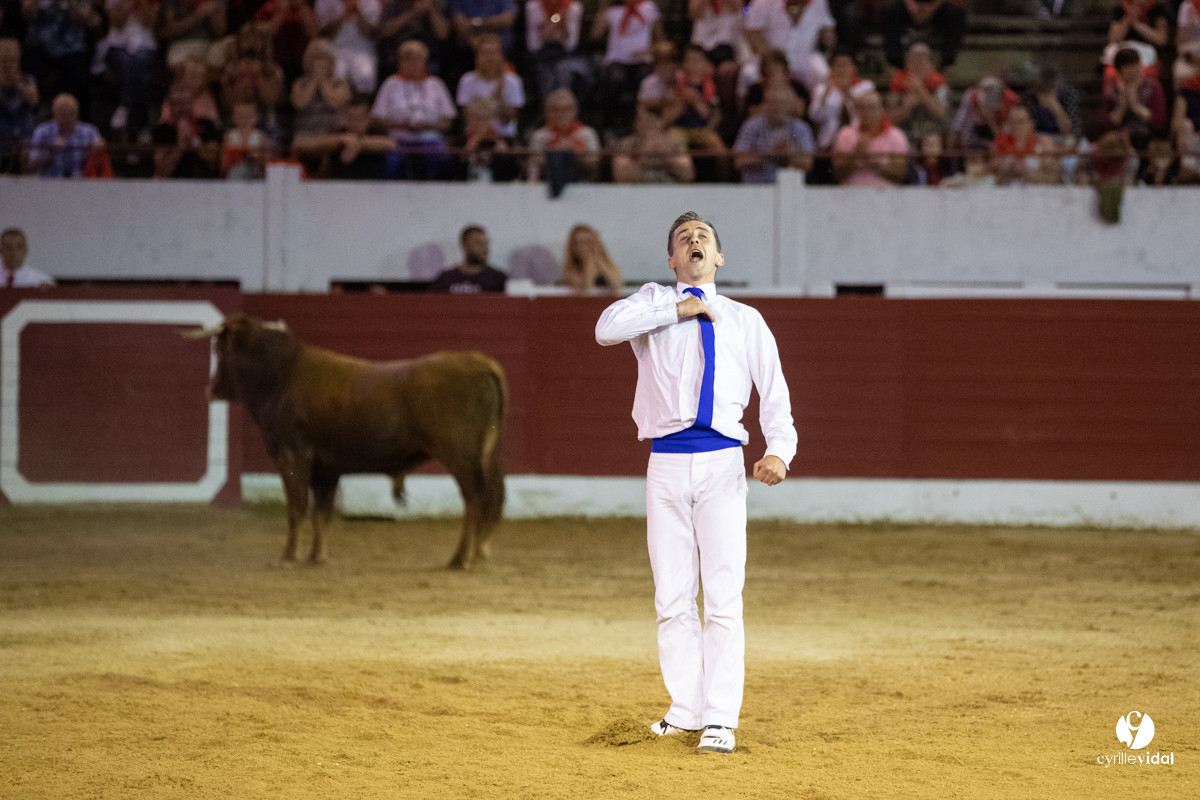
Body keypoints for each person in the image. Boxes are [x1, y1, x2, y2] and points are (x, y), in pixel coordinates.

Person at [594, 210, 796, 757]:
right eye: (683, 238)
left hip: (722, 463)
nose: (694, 240)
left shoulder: (745, 319)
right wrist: (672, 306)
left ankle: (721, 717)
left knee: (724, 596)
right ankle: (686, 709)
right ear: (671, 259)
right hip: (664, 463)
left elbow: (774, 394)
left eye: (704, 236)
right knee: (672, 597)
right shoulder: (650, 308)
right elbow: (604, 329)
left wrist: (779, 450)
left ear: (718, 257)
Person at [371, 38, 455, 179]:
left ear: (425, 62)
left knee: (442, 158)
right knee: (391, 162)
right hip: (398, 138)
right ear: (400, 62)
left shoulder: (436, 84)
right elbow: (377, 119)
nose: (413, 64)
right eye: (408, 60)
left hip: (429, 137)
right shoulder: (391, 84)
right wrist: (399, 124)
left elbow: (448, 120)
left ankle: (436, 194)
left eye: (417, 60)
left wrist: (431, 125)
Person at [591, 0, 663, 136]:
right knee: (614, 79)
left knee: (645, 80)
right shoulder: (613, 10)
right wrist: (602, 7)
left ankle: (641, 125)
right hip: (616, 59)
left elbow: (660, 38)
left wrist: (649, 50)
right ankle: (610, 126)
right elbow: (596, 34)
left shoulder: (649, 6)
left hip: (642, 59)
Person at [743, 0, 836, 94]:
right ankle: (745, 107)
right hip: (773, 57)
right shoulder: (762, 2)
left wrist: (828, 38)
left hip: (806, 57)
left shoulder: (819, 2)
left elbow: (827, 28)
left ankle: (813, 107)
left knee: (823, 73)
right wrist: (772, 61)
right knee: (748, 74)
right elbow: (753, 33)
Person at [733, 83, 814, 182]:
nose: (778, 107)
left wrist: (789, 155)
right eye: (774, 102)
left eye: (782, 103)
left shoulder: (801, 128)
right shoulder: (751, 126)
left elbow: (808, 163)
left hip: (789, 189)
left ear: (790, 105)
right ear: (765, 103)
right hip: (755, 189)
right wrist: (768, 155)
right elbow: (739, 161)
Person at [526, 88, 599, 193]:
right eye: (555, 109)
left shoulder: (587, 134)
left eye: (566, 109)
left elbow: (595, 169)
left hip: (583, 188)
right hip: (547, 189)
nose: (561, 114)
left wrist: (577, 153)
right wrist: (554, 153)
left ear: (575, 111)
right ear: (547, 112)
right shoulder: (540, 136)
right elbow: (533, 171)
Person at [831, 89, 908, 186]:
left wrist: (873, 163)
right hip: (851, 193)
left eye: (872, 108)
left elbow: (900, 174)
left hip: (886, 195)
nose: (867, 112)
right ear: (857, 111)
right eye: (862, 108)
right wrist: (855, 154)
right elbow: (837, 173)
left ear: (881, 110)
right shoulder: (845, 134)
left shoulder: (896, 135)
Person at [455, 33, 523, 139]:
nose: (489, 58)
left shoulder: (512, 81)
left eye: (493, 53)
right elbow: (467, 116)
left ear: (501, 56)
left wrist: (499, 98)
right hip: (474, 136)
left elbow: (508, 120)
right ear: (477, 56)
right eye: (485, 53)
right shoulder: (467, 80)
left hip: (504, 137)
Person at [524, 0, 591, 103]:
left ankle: (565, 108)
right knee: (546, 73)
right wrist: (547, 35)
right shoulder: (533, 6)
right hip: (541, 56)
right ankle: (547, 109)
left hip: (563, 55)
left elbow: (571, 45)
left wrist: (563, 28)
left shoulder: (574, 7)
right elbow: (533, 45)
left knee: (563, 72)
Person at [612, 101, 695, 183]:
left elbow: (688, 175)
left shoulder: (675, 143)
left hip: (669, 191)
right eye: (643, 120)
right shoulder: (625, 145)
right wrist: (643, 154)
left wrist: (667, 156)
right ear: (636, 123)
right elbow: (621, 177)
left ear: (660, 122)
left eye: (654, 120)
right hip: (636, 192)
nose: (649, 124)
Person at [1103, 45, 1166, 152]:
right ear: (1119, 71)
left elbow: (1159, 121)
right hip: (1119, 141)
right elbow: (1105, 126)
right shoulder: (1111, 91)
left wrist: (1136, 106)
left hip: (1147, 136)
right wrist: (1122, 107)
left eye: (1136, 67)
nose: (1134, 72)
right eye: (1129, 69)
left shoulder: (1152, 87)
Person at [27, 92, 104, 177]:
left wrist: (99, 150)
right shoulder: (42, 131)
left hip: (82, 185)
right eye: (63, 115)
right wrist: (51, 152)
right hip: (49, 184)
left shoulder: (90, 132)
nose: (67, 119)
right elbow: (31, 166)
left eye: (71, 114)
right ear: (54, 114)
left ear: (77, 114)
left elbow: (100, 163)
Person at [885, 42, 948, 145]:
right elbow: (890, 119)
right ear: (907, 63)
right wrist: (906, 107)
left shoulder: (939, 82)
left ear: (931, 64)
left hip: (933, 133)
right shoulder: (898, 81)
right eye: (914, 60)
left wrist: (921, 92)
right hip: (906, 133)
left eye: (922, 60)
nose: (918, 65)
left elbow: (942, 114)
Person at [316, 0, 382, 93]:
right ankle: (338, 105)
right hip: (334, 48)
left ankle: (361, 105)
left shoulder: (370, 2)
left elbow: (373, 34)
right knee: (337, 74)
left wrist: (358, 13)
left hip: (362, 48)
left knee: (365, 75)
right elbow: (322, 33)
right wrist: (344, 15)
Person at [881, 0, 966, 71]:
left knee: (956, 15)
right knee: (891, 13)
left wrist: (932, 7)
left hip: (935, 6)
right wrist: (910, 4)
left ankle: (946, 67)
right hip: (909, 5)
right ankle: (896, 67)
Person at [429, 224, 508, 293]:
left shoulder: (499, 279)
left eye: (486, 244)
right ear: (464, 245)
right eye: (478, 243)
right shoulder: (446, 279)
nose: (484, 248)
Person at [0, 38, 37, 172]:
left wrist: (16, 83)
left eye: (12, 60)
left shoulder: (28, 81)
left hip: (22, 140)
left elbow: (33, 100)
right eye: (4, 60)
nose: (8, 65)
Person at [560, 223, 623, 291]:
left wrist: (591, 260)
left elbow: (615, 290)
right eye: (575, 243)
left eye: (585, 243)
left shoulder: (608, 272)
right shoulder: (569, 272)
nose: (580, 247)